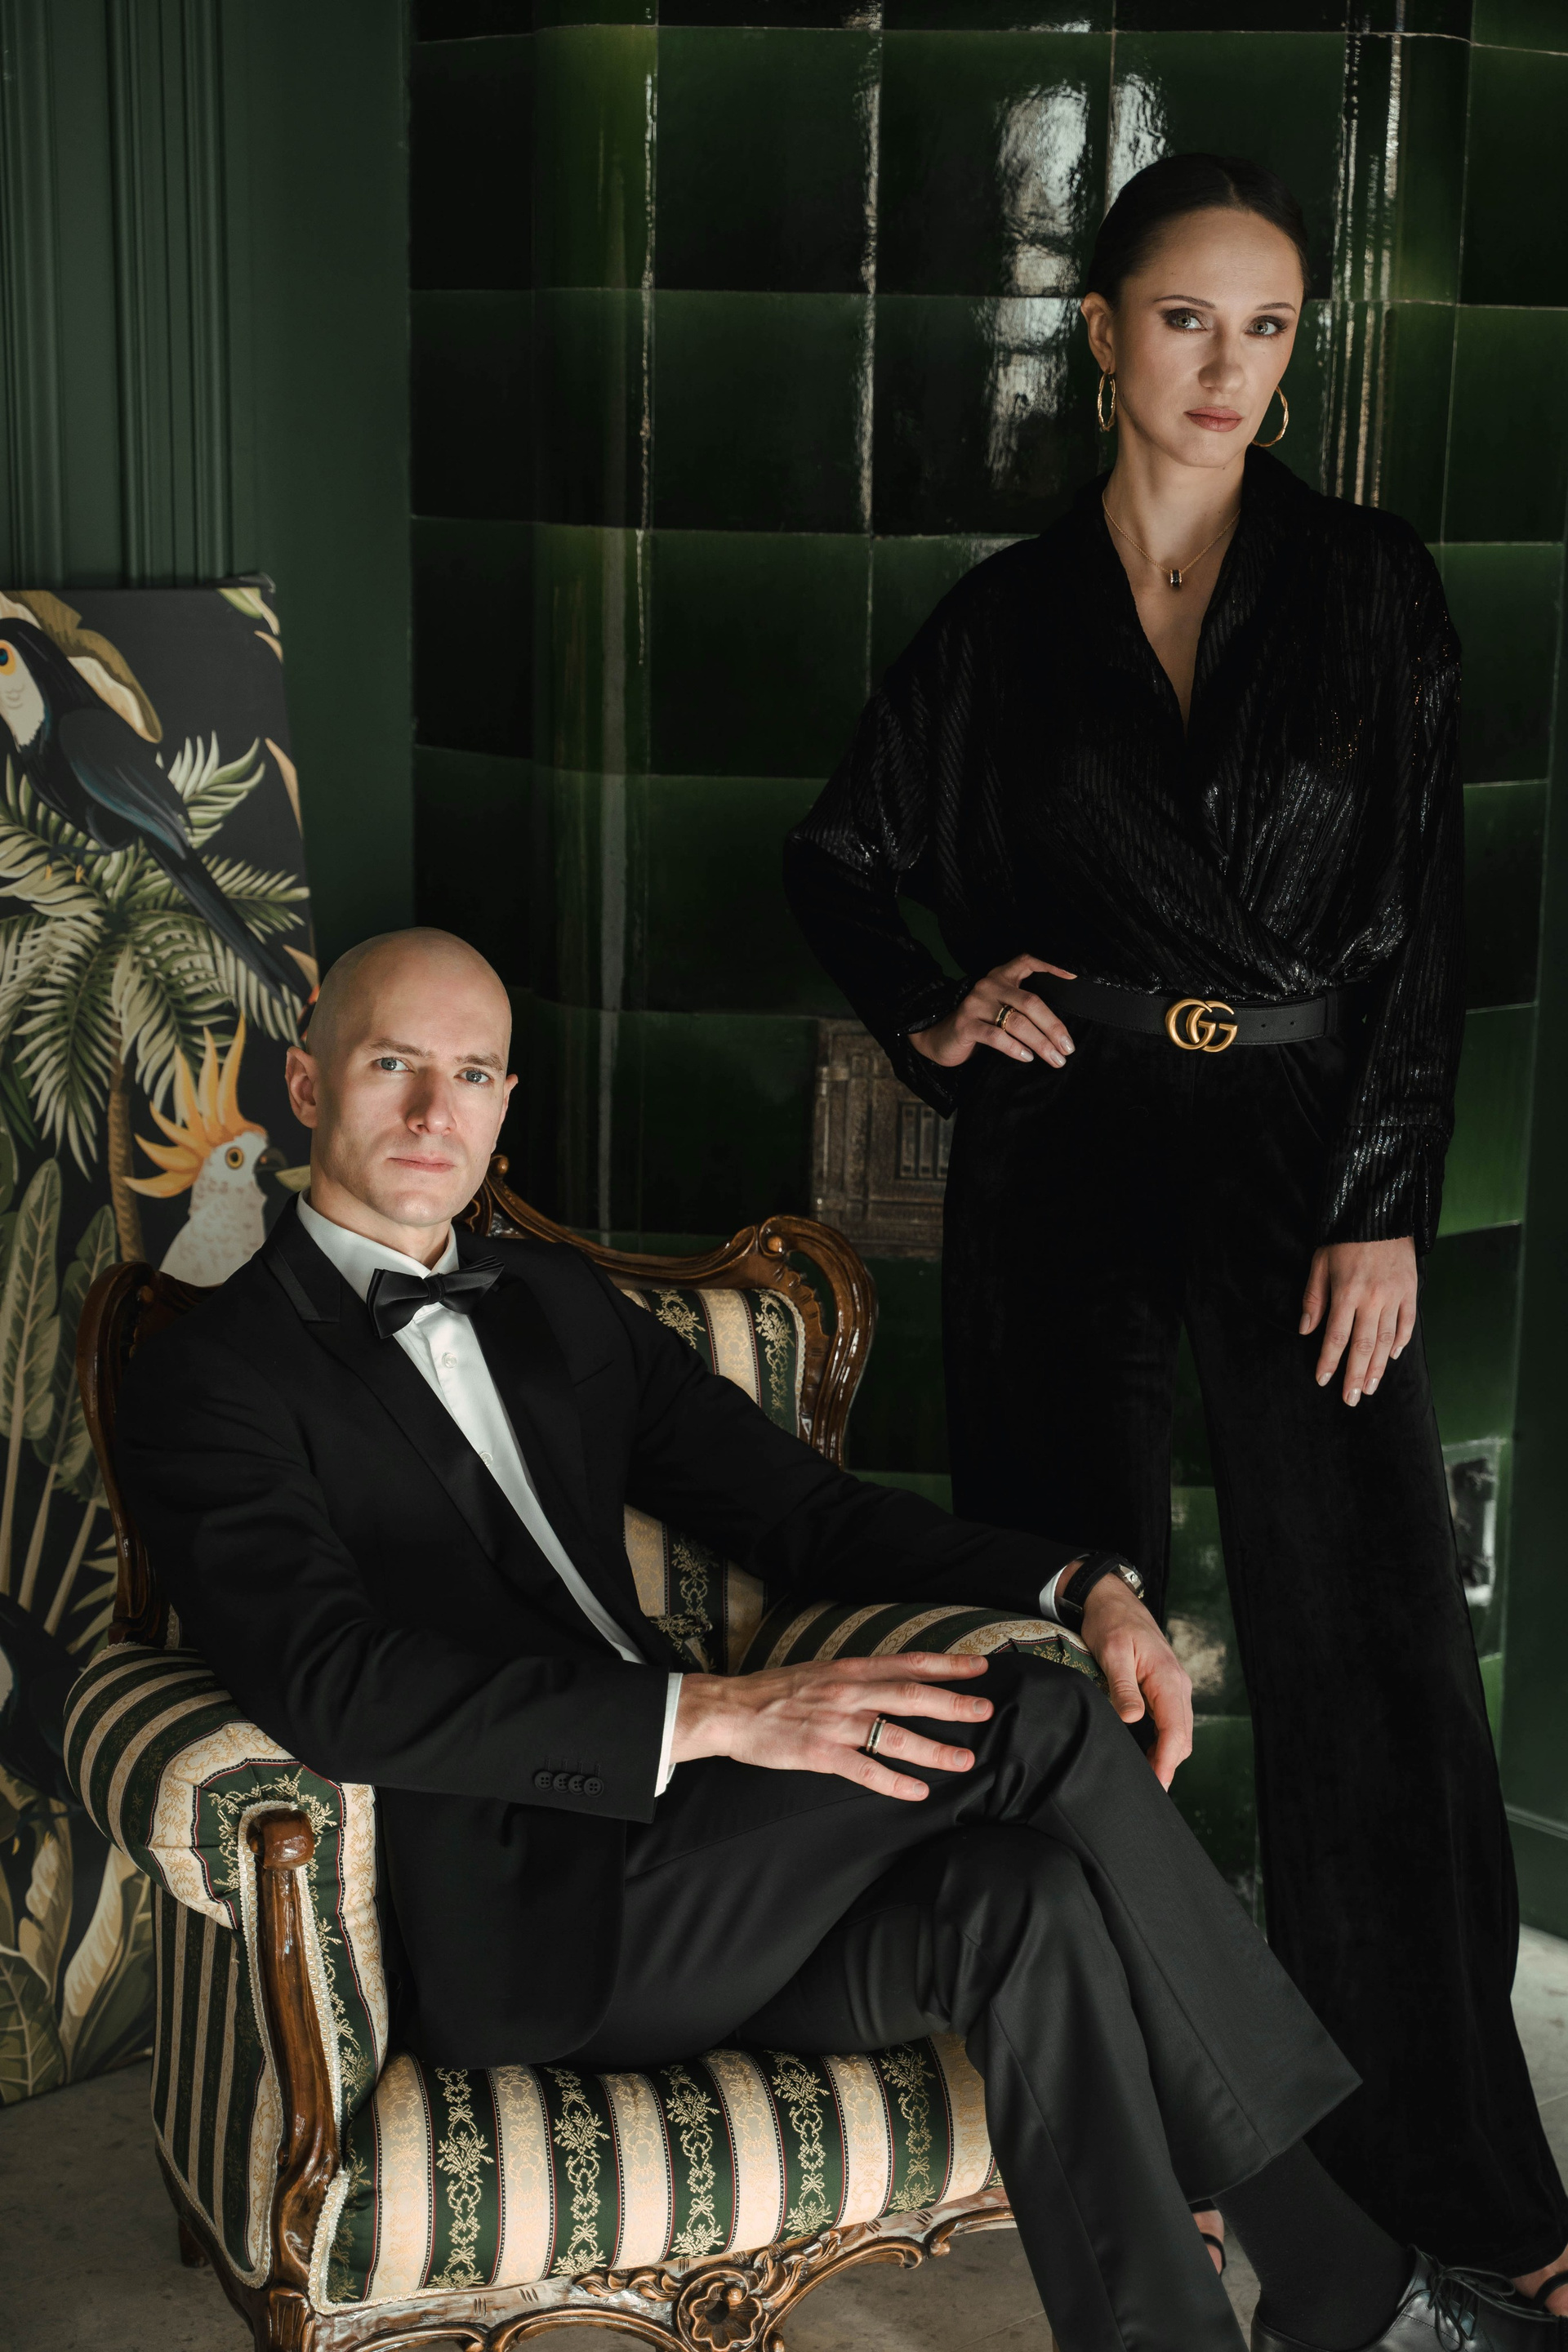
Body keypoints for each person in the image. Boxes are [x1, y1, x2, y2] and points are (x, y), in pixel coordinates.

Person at [115, 926, 1564, 2352]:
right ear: (307, 1085)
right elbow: (332, 1686)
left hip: (711, 1875)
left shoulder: (552, 1306)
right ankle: (1349, 2284)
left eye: (475, 1074)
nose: (438, 1111)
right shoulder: (215, 1372)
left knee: (1023, 1904)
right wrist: (714, 1715)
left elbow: (804, 1517)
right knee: (1040, 1720)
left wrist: (1078, 1583)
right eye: (394, 1065)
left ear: (506, 1104)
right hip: (528, 1918)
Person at [783, 150, 1568, 2305]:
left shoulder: (1373, 586)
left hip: (1308, 1142)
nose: (1231, 367)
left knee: (1380, 1664)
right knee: (1065, 1639)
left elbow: (1423, 924)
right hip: (1070, 1141)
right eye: (1190, 320)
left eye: (1271, 327)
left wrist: (1383, 1205)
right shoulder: (1002, 622)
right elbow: (839, 857)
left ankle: (1464, 2191)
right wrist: (934, 1010)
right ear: (1105, 334)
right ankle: (1151, 2138)